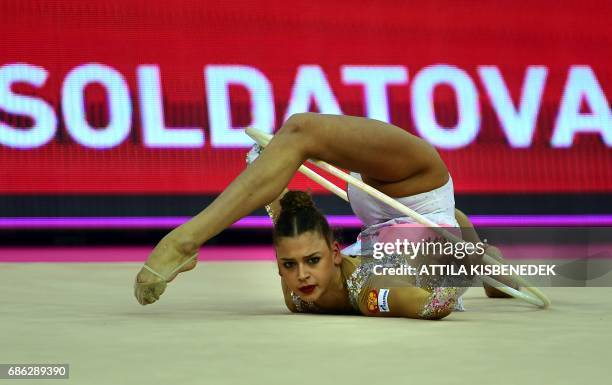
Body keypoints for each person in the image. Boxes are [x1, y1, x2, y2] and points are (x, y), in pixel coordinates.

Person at [134, 113, 512, 319]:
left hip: (381, 218)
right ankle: (481, 252)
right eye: (295, 265)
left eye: (300, 263)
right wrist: (464, 266)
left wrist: (275, 193)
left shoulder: (296, 298)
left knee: (299, 133)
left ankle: (184, 240)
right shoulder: (371, 290)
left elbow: (287, 227)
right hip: (418, 192)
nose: (301, 276)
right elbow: (428, 306)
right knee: (301, 130)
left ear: (334, 251)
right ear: (336, 253)